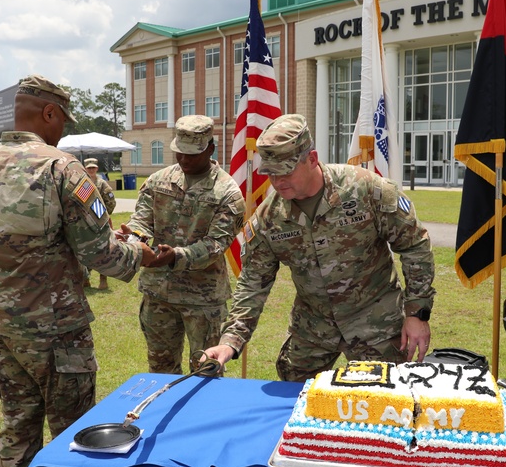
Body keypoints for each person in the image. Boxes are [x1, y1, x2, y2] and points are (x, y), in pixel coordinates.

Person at [0, 74, 157, 467]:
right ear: (49, 114)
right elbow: (100, 253)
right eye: (61, 120)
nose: (62, 131)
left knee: (17, 426)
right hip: (54, 326)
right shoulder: (61, 167)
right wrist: (143, 255)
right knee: (73, 431)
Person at [203, 115, 437, 381]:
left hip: (375, 319)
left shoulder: (365, 190)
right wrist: (230, 340)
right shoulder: (269, 217)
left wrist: (417, 313)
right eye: (271, 172)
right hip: (314, 326)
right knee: (294, 395)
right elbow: (253, 283)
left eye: (287, 170)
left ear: (312, 159)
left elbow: (414, 245)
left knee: (387, 399)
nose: (278, 181)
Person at [126, 115, 245, 373]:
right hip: (158, 292)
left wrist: (175, 257)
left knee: (206, 371)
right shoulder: (158, 181)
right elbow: (142, 220)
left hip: (202, 298)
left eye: (192, 154)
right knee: (160, 368)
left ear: (210, 148)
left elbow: (215, 245)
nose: (184, 160)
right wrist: (135, 239)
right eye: (179, 153)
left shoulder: (228, 193)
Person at [83, 157, 116, 290]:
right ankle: (85, 279)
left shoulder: (102, 184)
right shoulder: (82, 183)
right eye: (89, 168)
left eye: (93, 167)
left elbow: (111, 201)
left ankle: (103, 279)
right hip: (84, 222)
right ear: (85, 168)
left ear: (97, 168)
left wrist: (103, 215)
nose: (91, 170)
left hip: (100, 221)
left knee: (102, 250)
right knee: (84, 249)